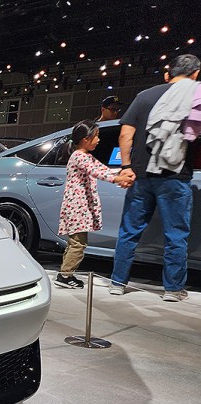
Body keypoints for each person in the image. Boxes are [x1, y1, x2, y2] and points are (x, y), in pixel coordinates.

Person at [110, 54, 200, 302]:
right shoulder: (195, 96)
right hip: (175, 176)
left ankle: (117, 282)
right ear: (195, 74)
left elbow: (125, 135)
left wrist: (126, 166)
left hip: (140, 175)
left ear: (167, 74)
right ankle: (172, 289)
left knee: (129, 231)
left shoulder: (144, 96)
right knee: (176, 234)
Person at [55, 120, 134, 289]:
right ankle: (65, 275)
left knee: (74, 242)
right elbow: (96, 171)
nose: (98, 139)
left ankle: (65, 273)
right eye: (96, 136)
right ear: (85, 139)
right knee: (78, 243)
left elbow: (102, 168)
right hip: (77, 206)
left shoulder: (84, 156)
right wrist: (117, 178)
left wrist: (120, 172)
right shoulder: (79, 156)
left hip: (79, 206)